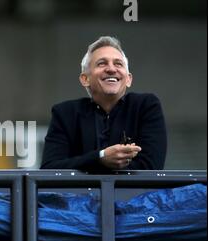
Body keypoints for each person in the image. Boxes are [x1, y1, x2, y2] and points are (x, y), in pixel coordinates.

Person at [41, 36, 167, 172]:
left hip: (134, 193)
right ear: (85, 79)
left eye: (118, 64)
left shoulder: (146, 106)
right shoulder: (65, 113)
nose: (111, 69)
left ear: (128, 79)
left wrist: (90, 165)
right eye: (102, 63)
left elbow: (152, 168)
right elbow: (50, 168)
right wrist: (100, 157)